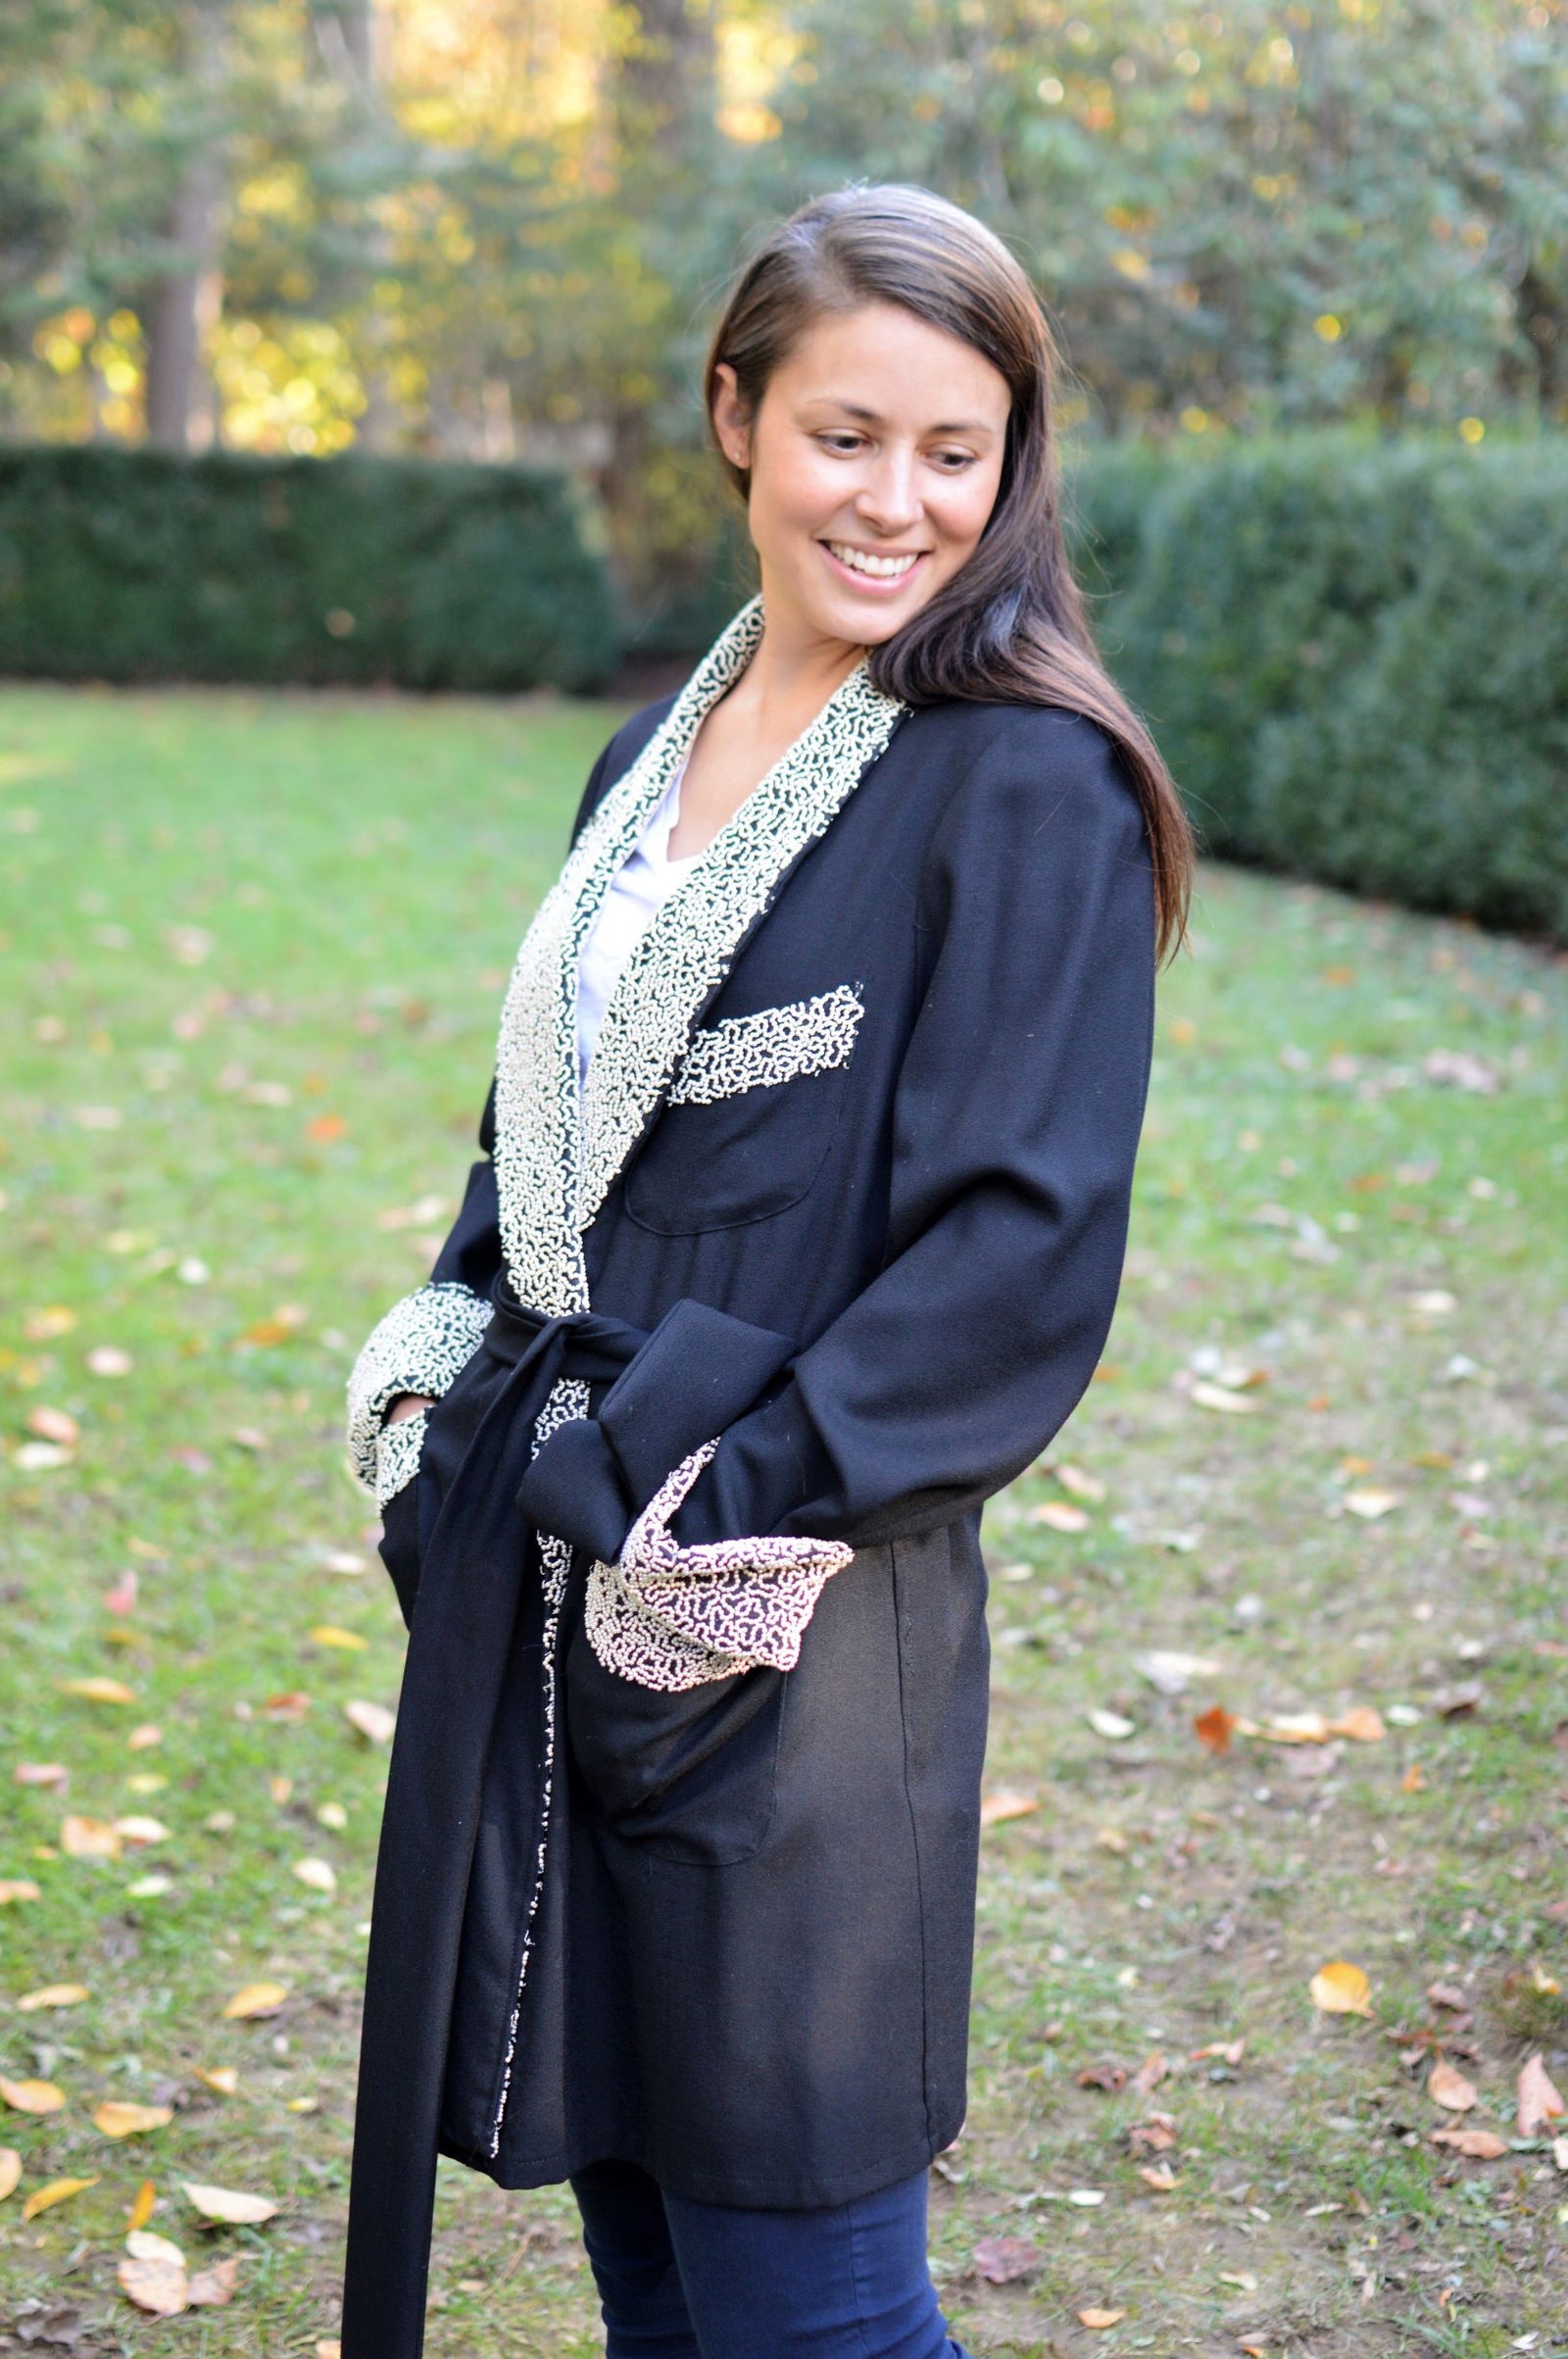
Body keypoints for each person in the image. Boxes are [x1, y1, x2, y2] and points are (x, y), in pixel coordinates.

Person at [338, 181, 1193, 2359]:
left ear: (1008, 468)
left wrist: (711, 1518)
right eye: (842, 434)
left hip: (786, 1627)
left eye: (953, 450)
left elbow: (1015, 1253)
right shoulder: (640, 766)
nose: (894, 500)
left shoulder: (1021, 786)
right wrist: (444, 1363)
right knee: (635, 2235)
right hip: (543, 1589)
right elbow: (540, 1126)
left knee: (804, 2289)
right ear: (732, 416)